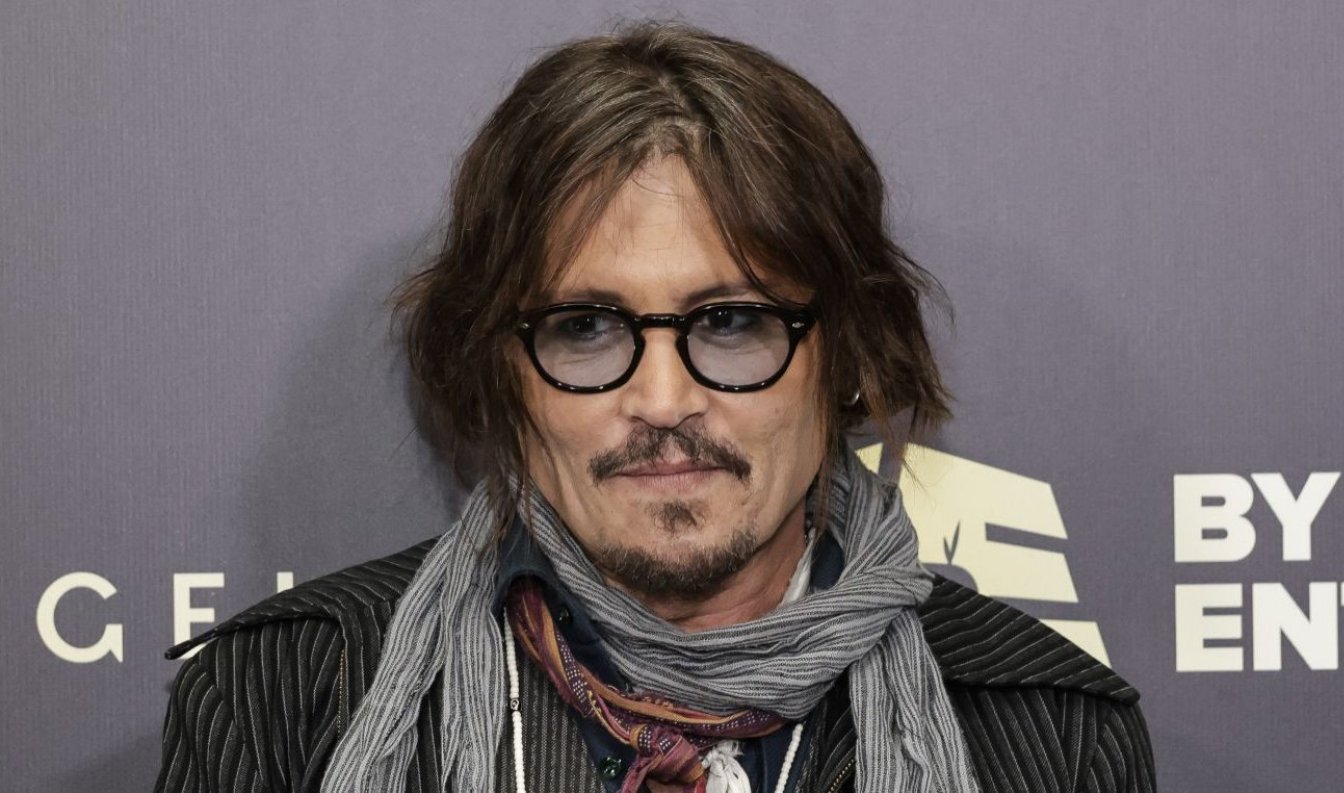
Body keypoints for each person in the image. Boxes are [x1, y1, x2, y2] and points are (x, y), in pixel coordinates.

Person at [155, 20, 1155, 793]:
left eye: (733, 322)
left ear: (846, 354)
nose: (664, 399)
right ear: (501, 369)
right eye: (586, 327)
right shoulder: (288, 700)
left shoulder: (1051, 734)